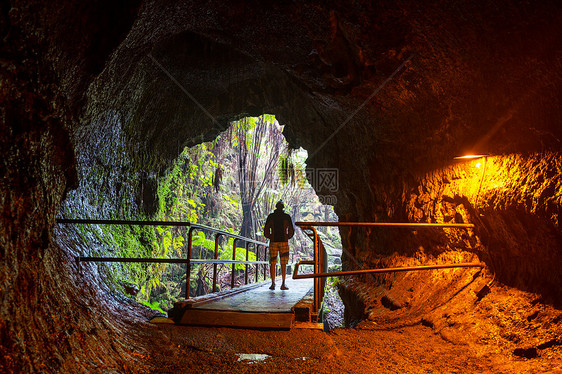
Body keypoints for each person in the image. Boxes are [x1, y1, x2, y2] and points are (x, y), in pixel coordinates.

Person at [263, 200, 294, 290]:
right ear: (283, 207)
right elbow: (291, 230)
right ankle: (283, 284)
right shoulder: (286, 216)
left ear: (276, 207)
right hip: (284, 242)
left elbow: (266, 230)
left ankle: (273, 283)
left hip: (273, 242)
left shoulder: (271, 216)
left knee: (272, 263)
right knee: (283, 263)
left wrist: (271, 237)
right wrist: (287, 237)